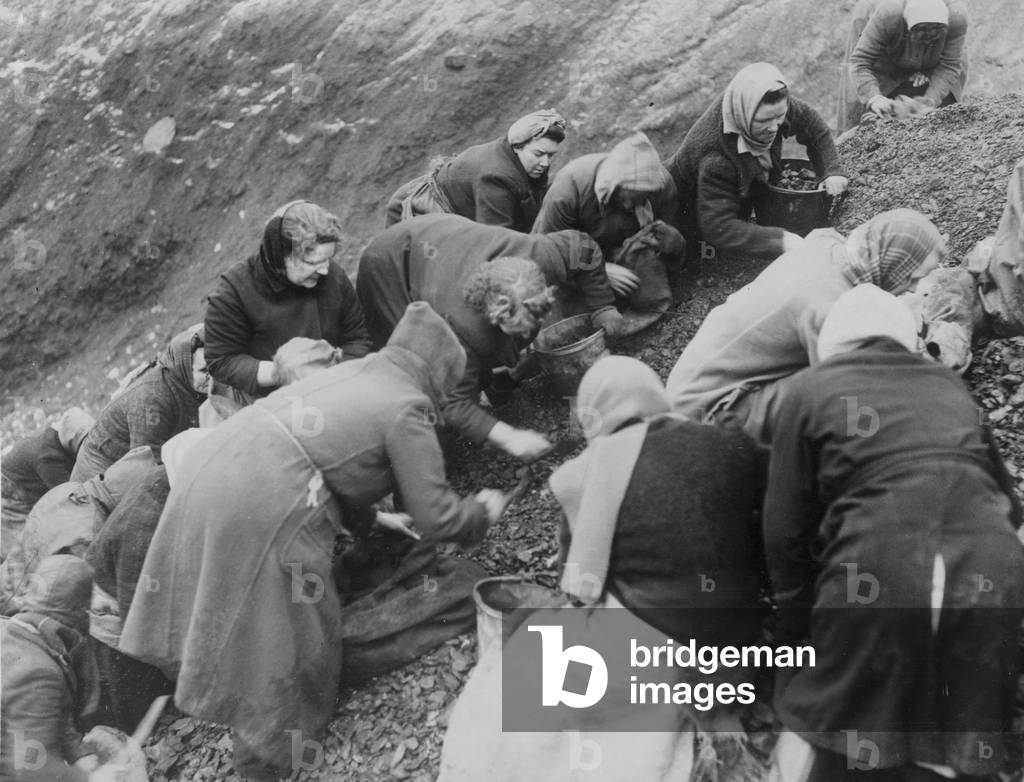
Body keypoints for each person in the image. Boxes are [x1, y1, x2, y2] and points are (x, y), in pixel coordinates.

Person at [119, 302, 508, 781]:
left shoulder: (362, 373)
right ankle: (268, 751)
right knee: (290, 626)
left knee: (231, 602)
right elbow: (438, 515)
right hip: (265, 493)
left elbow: (332, 455)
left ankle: (228, 690)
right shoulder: (408, 403)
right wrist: (481, 512)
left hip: (216, 462)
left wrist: (374, 522)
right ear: (441, 371)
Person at [438, 357, 766, 781]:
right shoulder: (727, 441)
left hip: (659, 646)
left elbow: (578, 586)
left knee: (519, 674)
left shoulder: (579, 475)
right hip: (739, 639)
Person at [764, 284, 1024, 781]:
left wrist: (798, 638)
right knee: (957, 731)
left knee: (826, 719)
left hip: (882, 554)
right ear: (906, 338)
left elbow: (784, 534)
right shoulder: (947, 385)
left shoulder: (810, 390)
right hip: (992, 562)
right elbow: (1009, 508)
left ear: (834, 346)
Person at [666, 208, 945, 446]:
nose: (915, 288)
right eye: (911, 278)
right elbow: (849, 390)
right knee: (832, 404)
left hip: (692, 380)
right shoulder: (830, 307)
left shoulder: (829, 244)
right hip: (708, 409)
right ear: (893, 264)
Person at [358, 225, 568, 460]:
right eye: (522, 324)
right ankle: (427, 448)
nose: (528, 332)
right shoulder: (459, 326)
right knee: (422, 376)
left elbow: (578, 243)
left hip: (434, 244)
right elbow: (454, 403)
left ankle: (479, 408)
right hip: (387, 265)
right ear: (499, 308)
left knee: (483, 356)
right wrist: (510, 437)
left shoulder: (527, 275)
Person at [664, 62, 848, 263]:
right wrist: (780, 241)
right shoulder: (718, 159)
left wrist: (831, 170)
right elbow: (719, 227)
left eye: (780, 117)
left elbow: (812, 124)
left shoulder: (768, 106)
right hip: (684, 203)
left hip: (727, 184)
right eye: (764, 122)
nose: (774, 127)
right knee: (695, 255)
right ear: (744, 115)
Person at [203, 200, 372, 402]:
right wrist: (281, 372)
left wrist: (334, 375)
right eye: (312, 262)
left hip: (334, 387)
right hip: (268, 400)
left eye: (328, 259)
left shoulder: (333, 277)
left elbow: (357, 338)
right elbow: (222, 361)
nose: (324, 270)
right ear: (280, 256)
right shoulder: (234, 291)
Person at [0, 555, 139, 782]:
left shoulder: (15, 632)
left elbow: (41, 715)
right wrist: (90, 779)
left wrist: (78, 753)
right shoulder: (38, 672)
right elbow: (29, 769)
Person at [532, 131, 685, 288]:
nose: (627, 206)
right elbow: (548, 252)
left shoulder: (662, 186)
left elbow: (669, 239)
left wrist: (676, 243)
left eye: (639, 200)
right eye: (622, 197)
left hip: (617, 250)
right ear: (611, 186)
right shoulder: (567, 192)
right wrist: (599, 270)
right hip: (576, 254)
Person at [384, 109, 566, 232]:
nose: (545, 163)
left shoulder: (524, 161)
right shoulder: (495, 177)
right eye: (539, 154)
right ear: (518, 146)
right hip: (418, 210)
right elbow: (496, 239)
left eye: (550, 156)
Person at [70, 324, 207, 483]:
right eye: (204, 371)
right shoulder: (153, 399)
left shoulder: (189, 383)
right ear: (184, 368)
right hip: (101, 473)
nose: (213, 375)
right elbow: (146, 461)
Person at [841, 0, 969, 132]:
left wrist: (929, 101)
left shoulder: (956, 16)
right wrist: (874, 98)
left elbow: (949, 65)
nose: (929, 35)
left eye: (935, 30)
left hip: (936, 49)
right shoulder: (889, 14)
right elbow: (860, 62)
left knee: (945, 112)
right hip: (882, 37)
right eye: (922, 30)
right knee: (866, 114)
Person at [1, 407, 94, 560]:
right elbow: (70, 495)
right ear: (72, 440)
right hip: (15, 492)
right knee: (24, 545)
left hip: (30, 474)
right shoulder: (48, 458)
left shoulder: (61, 434)